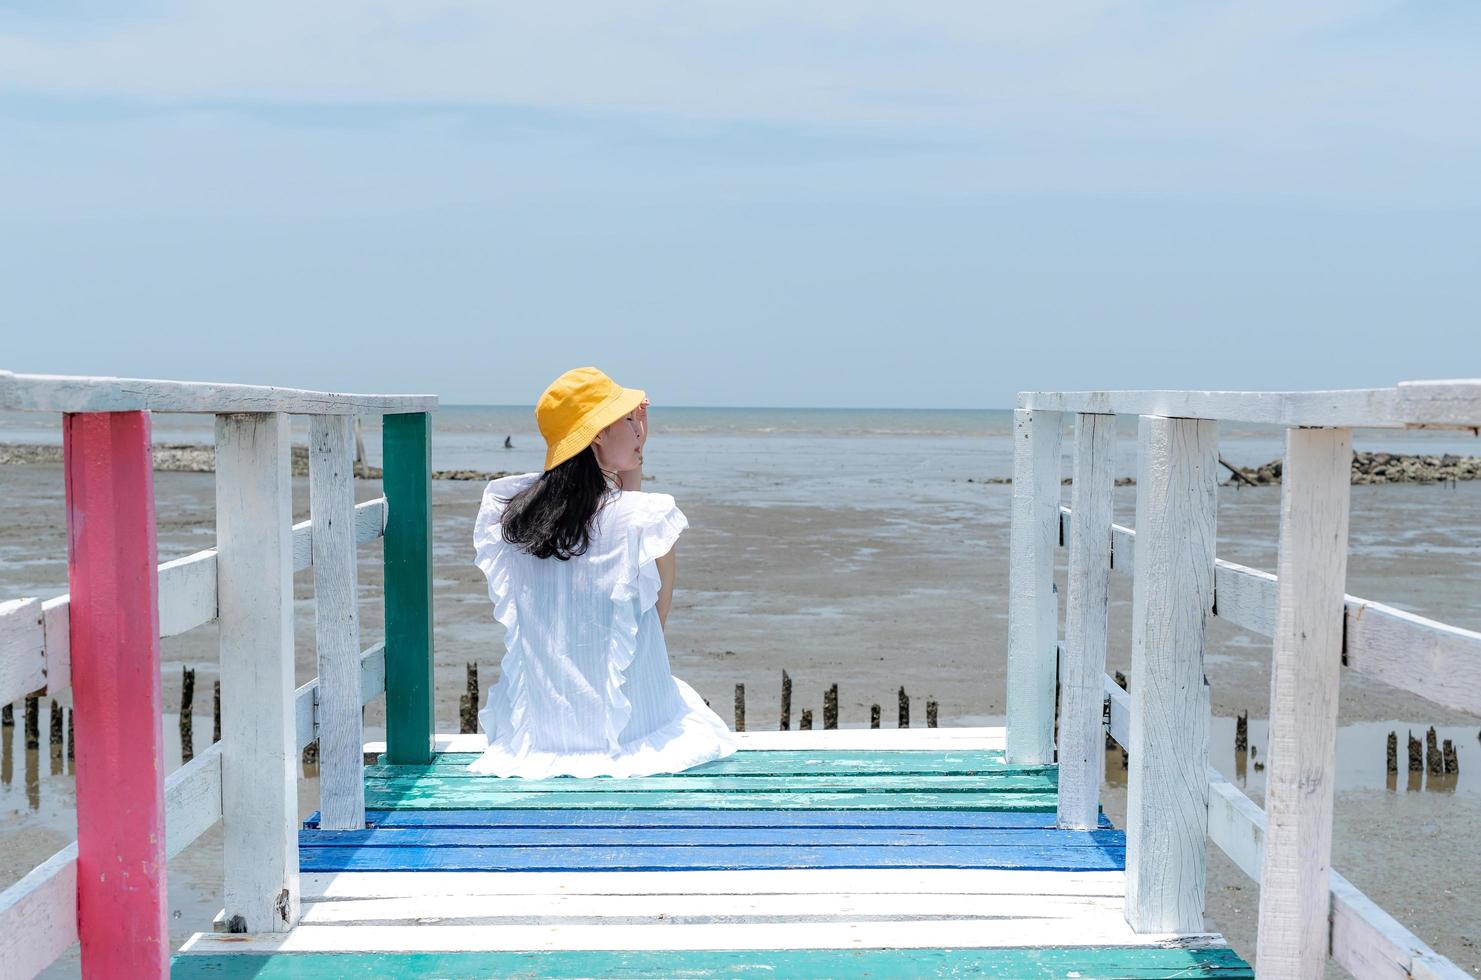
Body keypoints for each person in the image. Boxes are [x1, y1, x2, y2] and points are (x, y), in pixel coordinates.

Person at [467, 366, 737, 777]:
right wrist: (632, 467)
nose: (639, 430)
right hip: (627, 738)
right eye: (628, 421)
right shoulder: (646, 518)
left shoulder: (512, 519)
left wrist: (630, 448)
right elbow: (652, 630)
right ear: (596, 435)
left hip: (541, 738)